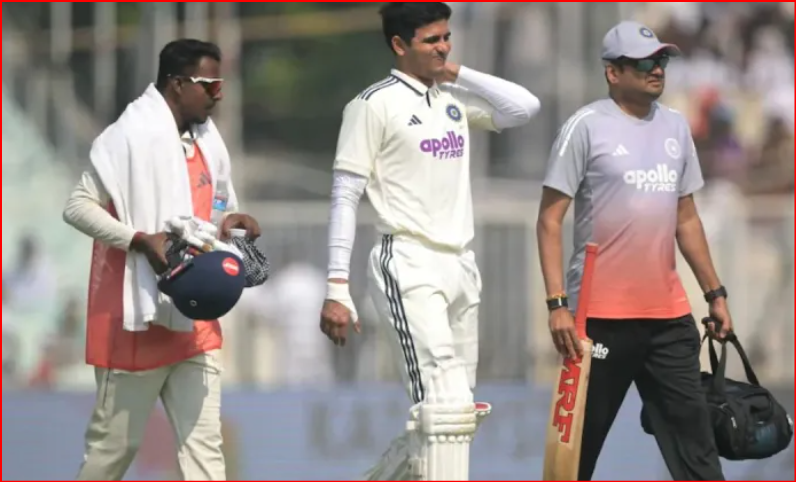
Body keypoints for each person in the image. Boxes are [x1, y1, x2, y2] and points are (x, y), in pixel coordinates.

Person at [318, 3, 540, 480]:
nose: (443, 47)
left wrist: (455, 71)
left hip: (461, 264)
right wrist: (337, 286)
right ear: (399, 45)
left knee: (459, 416)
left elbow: (524, 107)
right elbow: (345, 195)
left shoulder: (450, 98)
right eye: (431, 40)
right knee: (443, 408)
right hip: (409, 261)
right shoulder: (372, 104)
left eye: (446, 37)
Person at [537, 21, 732, 481]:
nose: (657, 70)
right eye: (644, 63)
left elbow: (687, 219)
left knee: (698, 456)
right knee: (575, 460)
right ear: (613, 72)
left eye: (661, 60)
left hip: (668, 320)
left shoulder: (677, 126)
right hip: (596, 321)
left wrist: (715, 294)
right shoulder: (584, 127)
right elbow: (549, 220)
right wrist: (557, 304)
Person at [63, 39, 260, 481]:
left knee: (205, 451)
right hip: (137, 319)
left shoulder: (208, 141)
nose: (218, 94)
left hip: (194, 320)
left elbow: (215, 209)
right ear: (177, 84)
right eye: (209, 84)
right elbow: (76, 207)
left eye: (221, 84)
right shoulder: (127, 136)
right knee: (112, 453)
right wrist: (138, 240)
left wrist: (231, 222)